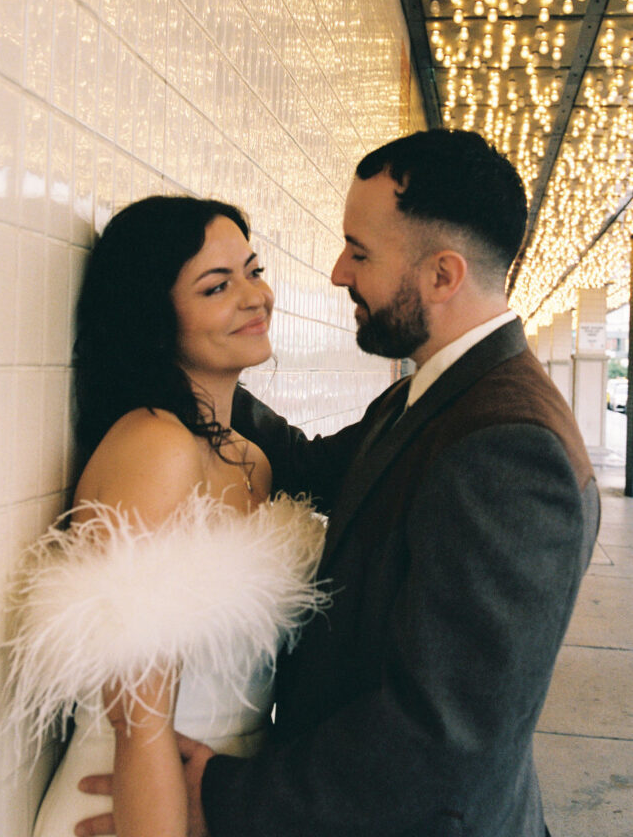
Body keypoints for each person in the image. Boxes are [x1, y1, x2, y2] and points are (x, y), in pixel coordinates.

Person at [77, 130, 600, 837]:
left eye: (360, 252)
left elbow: (445, 735)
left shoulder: (510, 445)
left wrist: (229, 799)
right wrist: (186, 374)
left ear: (442, 276)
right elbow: (306, 466)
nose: (335, 272)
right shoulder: (431, 397)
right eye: (217, 282)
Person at [5, 195, 328, 837]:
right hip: (131, 806)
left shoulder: (251, 459)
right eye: (217, 285)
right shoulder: (154, 444)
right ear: (155, 317)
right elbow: (139, 723)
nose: (254, 296)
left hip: (224, 802)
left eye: (253, 270)